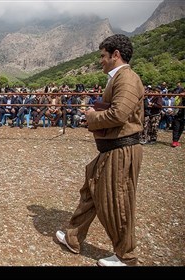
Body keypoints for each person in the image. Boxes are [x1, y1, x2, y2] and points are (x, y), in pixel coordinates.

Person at [55, 34, 144, 267]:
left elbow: (119, 114)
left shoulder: (126, 79)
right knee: (91, 191)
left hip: (120, 151)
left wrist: (92, 117)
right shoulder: (118, 78)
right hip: (111, 149)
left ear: (116, 55)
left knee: (117, 199)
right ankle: (73, 237)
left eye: (103, 56)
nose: (101, 60)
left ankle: (126, 256)